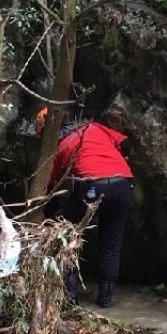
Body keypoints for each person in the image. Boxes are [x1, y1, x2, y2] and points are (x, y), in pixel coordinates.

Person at [37, 107, 136, 308]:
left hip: (91, 184)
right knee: (111, 244)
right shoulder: (94, 127)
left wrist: (47, 217)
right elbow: (126, 143)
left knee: (69, 237)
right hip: (122, 183)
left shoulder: (58, 147)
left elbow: (52, 187)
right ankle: (105, 300)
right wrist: (117, 156)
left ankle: (70, 297)